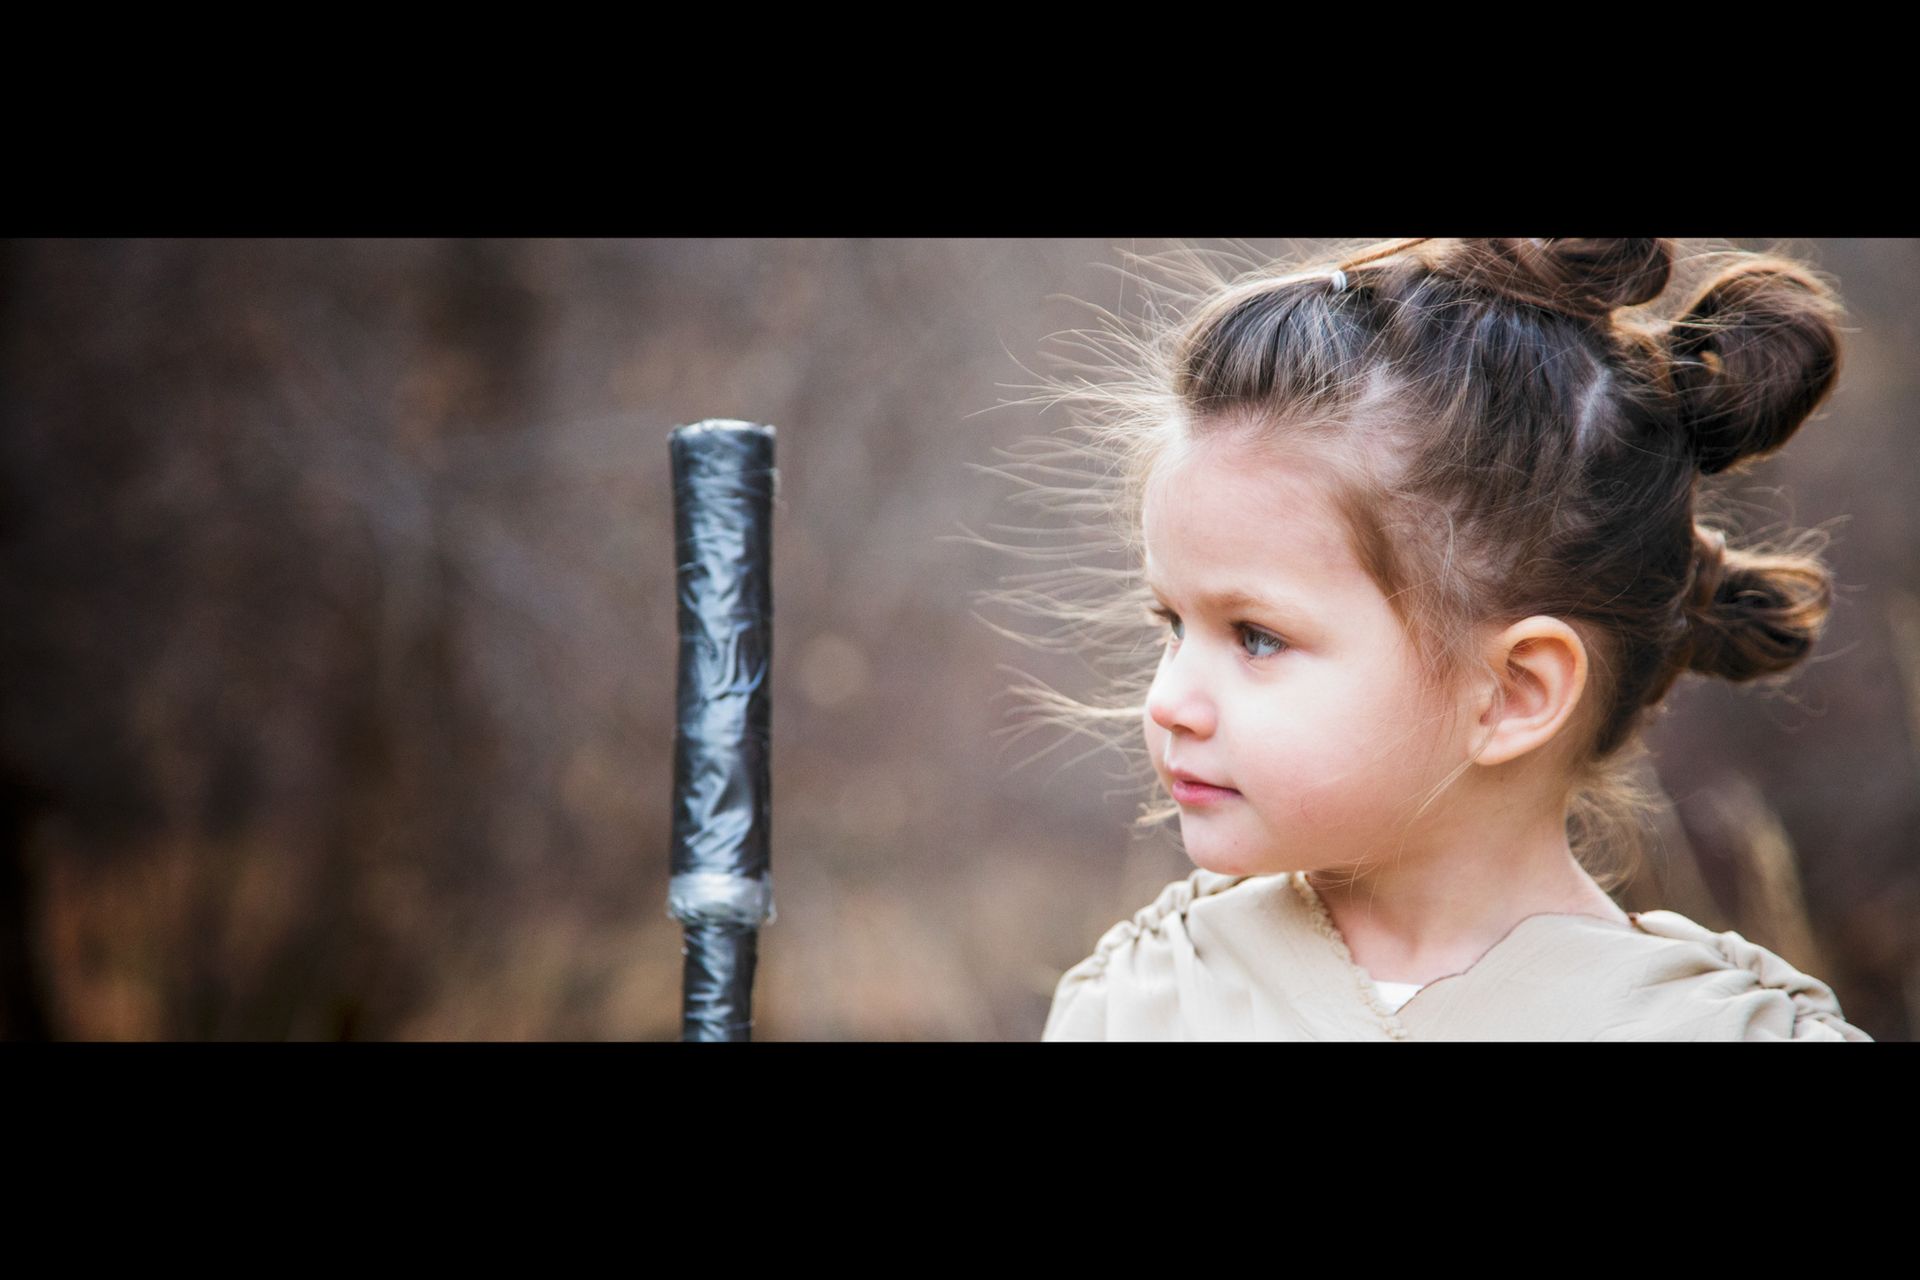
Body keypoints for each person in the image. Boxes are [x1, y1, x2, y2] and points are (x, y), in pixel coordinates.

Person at [1021, 238, 1872, 1041]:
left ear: (1513, 693)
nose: (1168, 702)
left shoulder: (1720, 1030)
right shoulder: (1139, 1001)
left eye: (1257, 638)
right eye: (1173, 625)